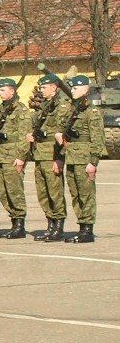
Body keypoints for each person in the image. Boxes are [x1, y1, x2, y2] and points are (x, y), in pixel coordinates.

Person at [55, 75, 105, 243]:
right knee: (75, 194)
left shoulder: (92, 111)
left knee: (86, 194)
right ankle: (81, 226)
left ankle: (87, 230)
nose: (73, 91)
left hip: (84, 158)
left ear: (86, 90)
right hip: (71, 156)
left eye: (76, 88)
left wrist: (93, 162)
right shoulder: (71, 109)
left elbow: (97, 138)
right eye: (72, 88)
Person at [26, 74, 70, 241]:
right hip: (40, 154)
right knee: (43, 193)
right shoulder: (43, 107)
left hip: (52, 155)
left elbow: (62, 134)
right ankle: (50, 224)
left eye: (44, 87)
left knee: (55, 192)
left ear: (54, 87)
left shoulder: (61, 107)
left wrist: (59, 158)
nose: (41, 90)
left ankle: (58, 226)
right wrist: (31, 136)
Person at [0, 78, 31, 239]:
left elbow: (24, 136)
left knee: (14, 191)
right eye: (0, 90)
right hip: (0, 155)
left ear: (12, 91)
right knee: (4, 192)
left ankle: (19, 224)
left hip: (13, 156)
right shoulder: (0, 110)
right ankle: (14, 222)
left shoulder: (20, 110)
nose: (1, 93)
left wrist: (21, 157)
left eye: (4, 90)